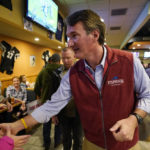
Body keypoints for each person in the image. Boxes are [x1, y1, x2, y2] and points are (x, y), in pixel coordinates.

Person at [1, 9, 150, 150]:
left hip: (127, 145)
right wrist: (17, 125)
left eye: (74, 36)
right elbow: (51, 106)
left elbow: (147, 95)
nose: (69, 43)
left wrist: (134, 120)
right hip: (92, 144)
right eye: (68, 38)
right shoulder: (73, 73)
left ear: (95, 35)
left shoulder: (128, 61)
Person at [55, 47, 83, 150]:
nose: (65, 61)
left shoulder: (82, 71)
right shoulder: (57, 73)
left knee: (78, 140)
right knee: (66, 140)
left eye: (68, 58)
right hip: (63, 113)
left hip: (78, 114)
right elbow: (53, 94)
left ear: (74, 57)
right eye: (63, 58)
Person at [34, 53, 62, 150]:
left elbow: (36, 87)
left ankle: (46, 144)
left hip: (46, 101)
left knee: (46, 123)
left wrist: (41, 96)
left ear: (50, 60)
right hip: (58, 102)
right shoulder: (62, 70)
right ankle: (57, 142)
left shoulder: (43, 71)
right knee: (58, 122)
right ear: (59, 61)